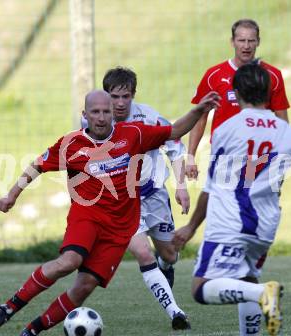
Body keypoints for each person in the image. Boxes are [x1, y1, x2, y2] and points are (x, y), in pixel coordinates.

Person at [0, 89, 221, 336]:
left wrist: (197, 111)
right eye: (95, 112)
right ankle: (9, 307)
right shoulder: (71, 143)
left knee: (84, 287)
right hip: (87, 217)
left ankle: (32, 331)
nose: (101, 117)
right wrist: (12, 194)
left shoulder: (133, 134)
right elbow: (38, 164)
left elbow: (174, 131)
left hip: (120, 229)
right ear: (85, 114)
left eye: (106, 112)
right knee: (69, 262)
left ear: (113, 114)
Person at [172, 63, 291, 336]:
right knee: (245, 278)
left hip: (229, 224)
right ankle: (257, 302)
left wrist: (190, 227)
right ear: (269, 92)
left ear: (235, 93)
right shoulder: (286, 132)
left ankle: (264, 293)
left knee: (201, 289)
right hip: (265, 228)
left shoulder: (227, 129)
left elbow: (213, 186)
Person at [101, 66, 190, 329]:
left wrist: (181, 186)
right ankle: (176, 313)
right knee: (142, 252)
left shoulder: (149, 117)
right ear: (106, 95)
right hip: (123, 204)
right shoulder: (97, 121)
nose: (119, 103)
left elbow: (174, 146)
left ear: (133, 95)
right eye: (113, 96)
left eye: (125, 96)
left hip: (155, 198)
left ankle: (166, 263)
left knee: (170, 255)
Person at [186, 18, 290, 180]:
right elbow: (200, 117)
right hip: (225, 156)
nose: (246, 46)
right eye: (241, 40)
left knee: (263, 204)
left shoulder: (273, 75)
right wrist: (191, 156)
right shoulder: (214, 75)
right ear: (232, 42)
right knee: (220, 202)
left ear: (258, 42)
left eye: (251, 41)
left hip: (262, 157)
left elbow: (282, 121)